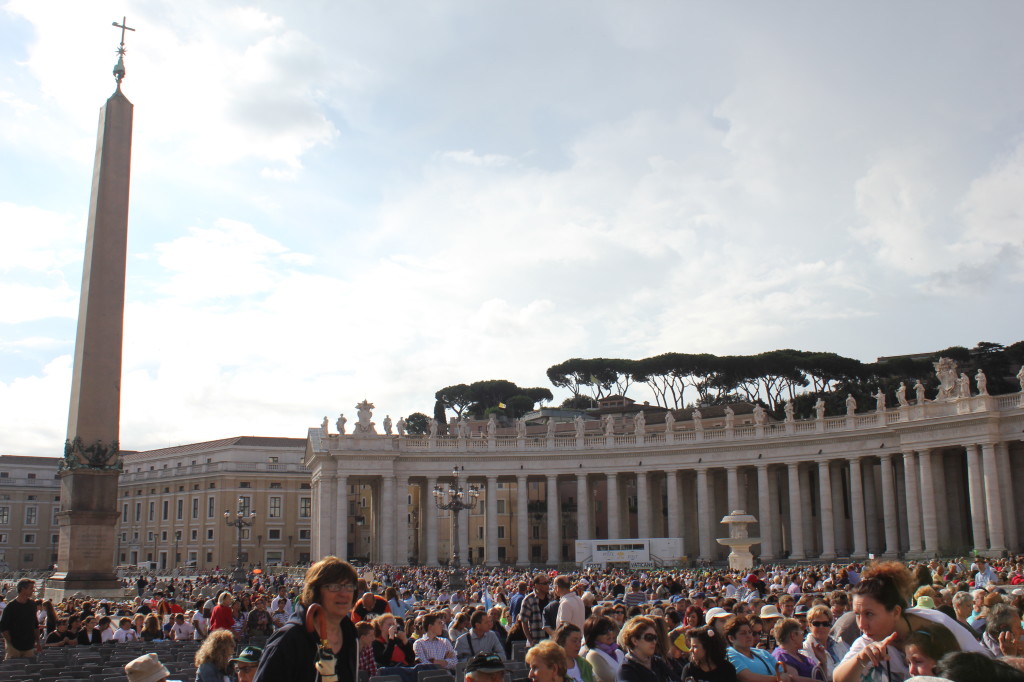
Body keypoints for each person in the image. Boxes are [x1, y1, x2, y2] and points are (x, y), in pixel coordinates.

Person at [832, 561, 984, 682]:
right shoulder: (869, 640)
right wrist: (861, 658)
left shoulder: (936, 623)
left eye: (869, 614)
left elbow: (982, 666)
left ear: (896, 611)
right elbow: (838, 678)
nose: (861, 624)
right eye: (857, 614)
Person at [253, 556, 360, 682]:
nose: (344, 593)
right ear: (316, 591)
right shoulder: (288, 640)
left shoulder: (351, 635)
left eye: (348, 586)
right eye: (334, 586)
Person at [724, 615, 790, 682]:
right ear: (731, 638)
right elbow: (746, 677)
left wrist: (782, 677)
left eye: (750, 632)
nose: (749, 636)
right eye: (743, 633)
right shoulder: (730, 654)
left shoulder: (763, 653)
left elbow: (782, 672)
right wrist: (777, 679)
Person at [616, 615, 673, 682]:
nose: (654, 642)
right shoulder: (626, 670)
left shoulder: (657, 662)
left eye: (655, 638)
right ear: (634, 641)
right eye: (649, 637)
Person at [801, 605, 848, 681]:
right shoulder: (805, 649)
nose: (821, 627)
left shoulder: (840, 643)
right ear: (809, 625)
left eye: (825, 624)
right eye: (816, 624)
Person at [0, 579, 41, 659]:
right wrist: (10, 643)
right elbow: (4, 627)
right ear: (23, 589)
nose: (33, 590)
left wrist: (38, 642)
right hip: (14, 647)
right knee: (14, 668)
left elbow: (35, 625)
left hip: (29, 646)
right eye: (31, 588)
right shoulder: (10, 607)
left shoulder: (32, 605)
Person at [585, 615, 624, 682]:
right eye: (604, 631)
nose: (610, 633)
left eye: (610, 629)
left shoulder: (618, 652)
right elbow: (611, 679)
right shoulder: (593, 655)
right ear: (593, 635)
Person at [522, 574, 554, 646]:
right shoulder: (528, 600)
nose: (547, 585)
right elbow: (524, 622)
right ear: (537, 585)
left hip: (552, 640)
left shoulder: (551, 597)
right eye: (545, 583)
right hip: (537, 640)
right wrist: (530, 640)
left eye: (548, 583)